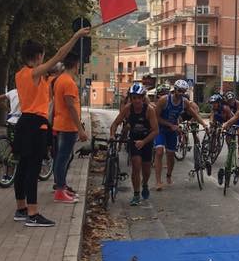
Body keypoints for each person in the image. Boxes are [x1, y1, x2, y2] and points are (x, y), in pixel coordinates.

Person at [12, 27, 90, 227]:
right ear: (39, 56)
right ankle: (33, 213)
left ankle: (21, 208)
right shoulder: (34, 73)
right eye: (43, 57)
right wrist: (75, 36)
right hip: (35, 124)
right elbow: (60, 55)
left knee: (22, 167)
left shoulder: (20, 74)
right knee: (33, 169)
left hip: (23, 122)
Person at [109, 82, 158, 204]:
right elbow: (115, 124)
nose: (136, 101)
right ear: (131, 98)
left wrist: (144, 141)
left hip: (147, 140)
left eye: (139, 98)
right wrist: (112, 135)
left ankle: (145, 184)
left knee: (146, 169)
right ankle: (136, 194)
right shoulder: (127, 109)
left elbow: (155, 131)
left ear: (143, 98)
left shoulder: (149, 110)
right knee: (136, 165)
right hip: (134, 140)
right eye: (134, 98)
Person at [153, 79, 206, 188]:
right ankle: (158, 181)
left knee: (170, 155)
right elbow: (155, 117)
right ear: (175, 90)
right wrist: (169, 124)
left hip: (172, 131)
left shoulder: (184, 102)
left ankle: (169, 175)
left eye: (183, 91)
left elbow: (195, 114)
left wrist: (204, 124)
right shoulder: (164, 100)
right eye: (179, 91)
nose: (181, 93)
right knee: (159, 152)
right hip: (161, 129)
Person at [51, 54, 88, 203]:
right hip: (68, 126)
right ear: (76, 64)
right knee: (63, 158)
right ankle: (60, 190)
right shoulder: (68, 82)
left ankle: (62, 187)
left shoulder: (60, 79)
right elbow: (71, 106)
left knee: (62, 157)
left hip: (62, 124)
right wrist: (80, 129)